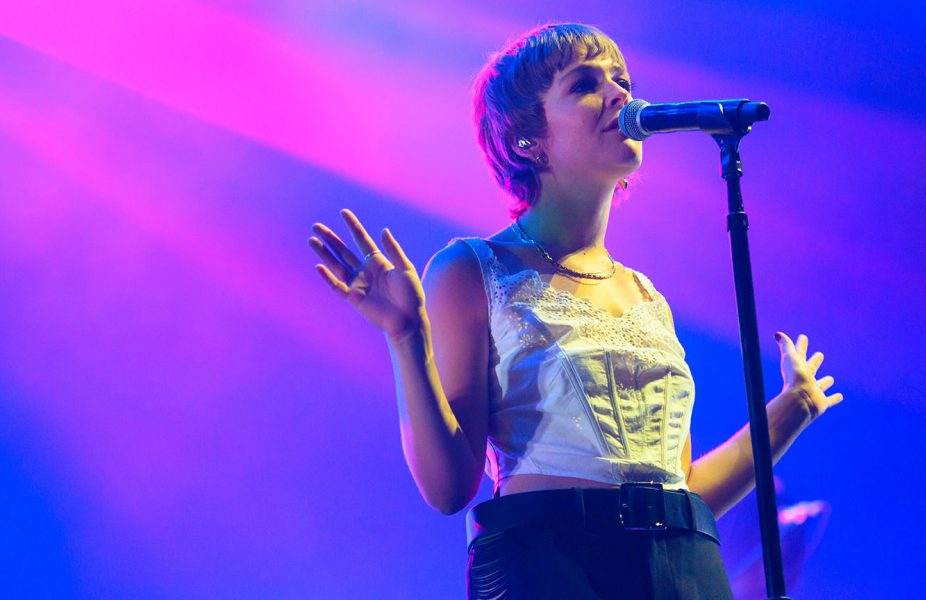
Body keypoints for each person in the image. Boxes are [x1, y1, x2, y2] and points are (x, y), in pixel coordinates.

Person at [308, 23, 842, 600]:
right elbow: (448, 487)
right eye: (585, 84)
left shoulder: (646, 297)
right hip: (550, 565)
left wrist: (788, 413)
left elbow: (681, 488)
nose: (620, 95)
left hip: (683, 570)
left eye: (623, 81)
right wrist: (408, 337)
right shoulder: (474, 269)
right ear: (527, 140)